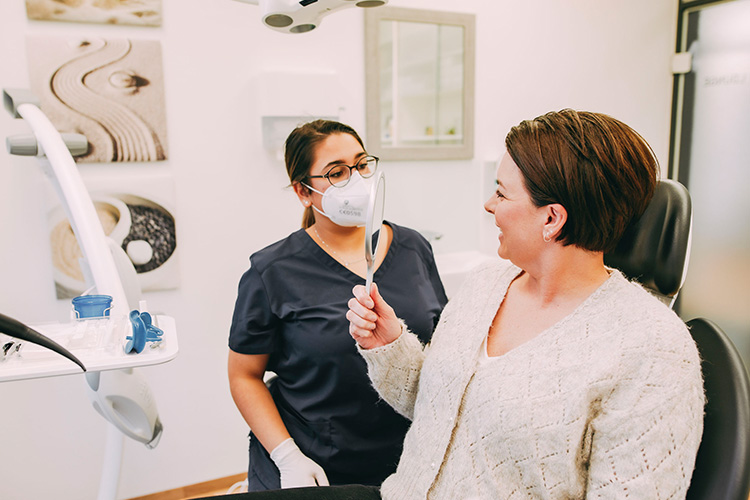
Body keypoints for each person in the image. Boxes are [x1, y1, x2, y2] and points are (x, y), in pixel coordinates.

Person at [344, 109, 705, 498]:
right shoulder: (485, 285)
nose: (488, 204)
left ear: (551, 219)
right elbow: (438, 411)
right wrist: (389, 344)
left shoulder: (654, 350)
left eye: (501, 192)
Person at [227, 119, 448, 492]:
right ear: (303, 191)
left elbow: (440, 345)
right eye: (337, 172)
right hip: (316, 462)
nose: (357, 180)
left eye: (362, 165)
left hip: (404, 460)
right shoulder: (272, 271)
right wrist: (287, 456)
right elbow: (244, 375)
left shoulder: (413, 248)